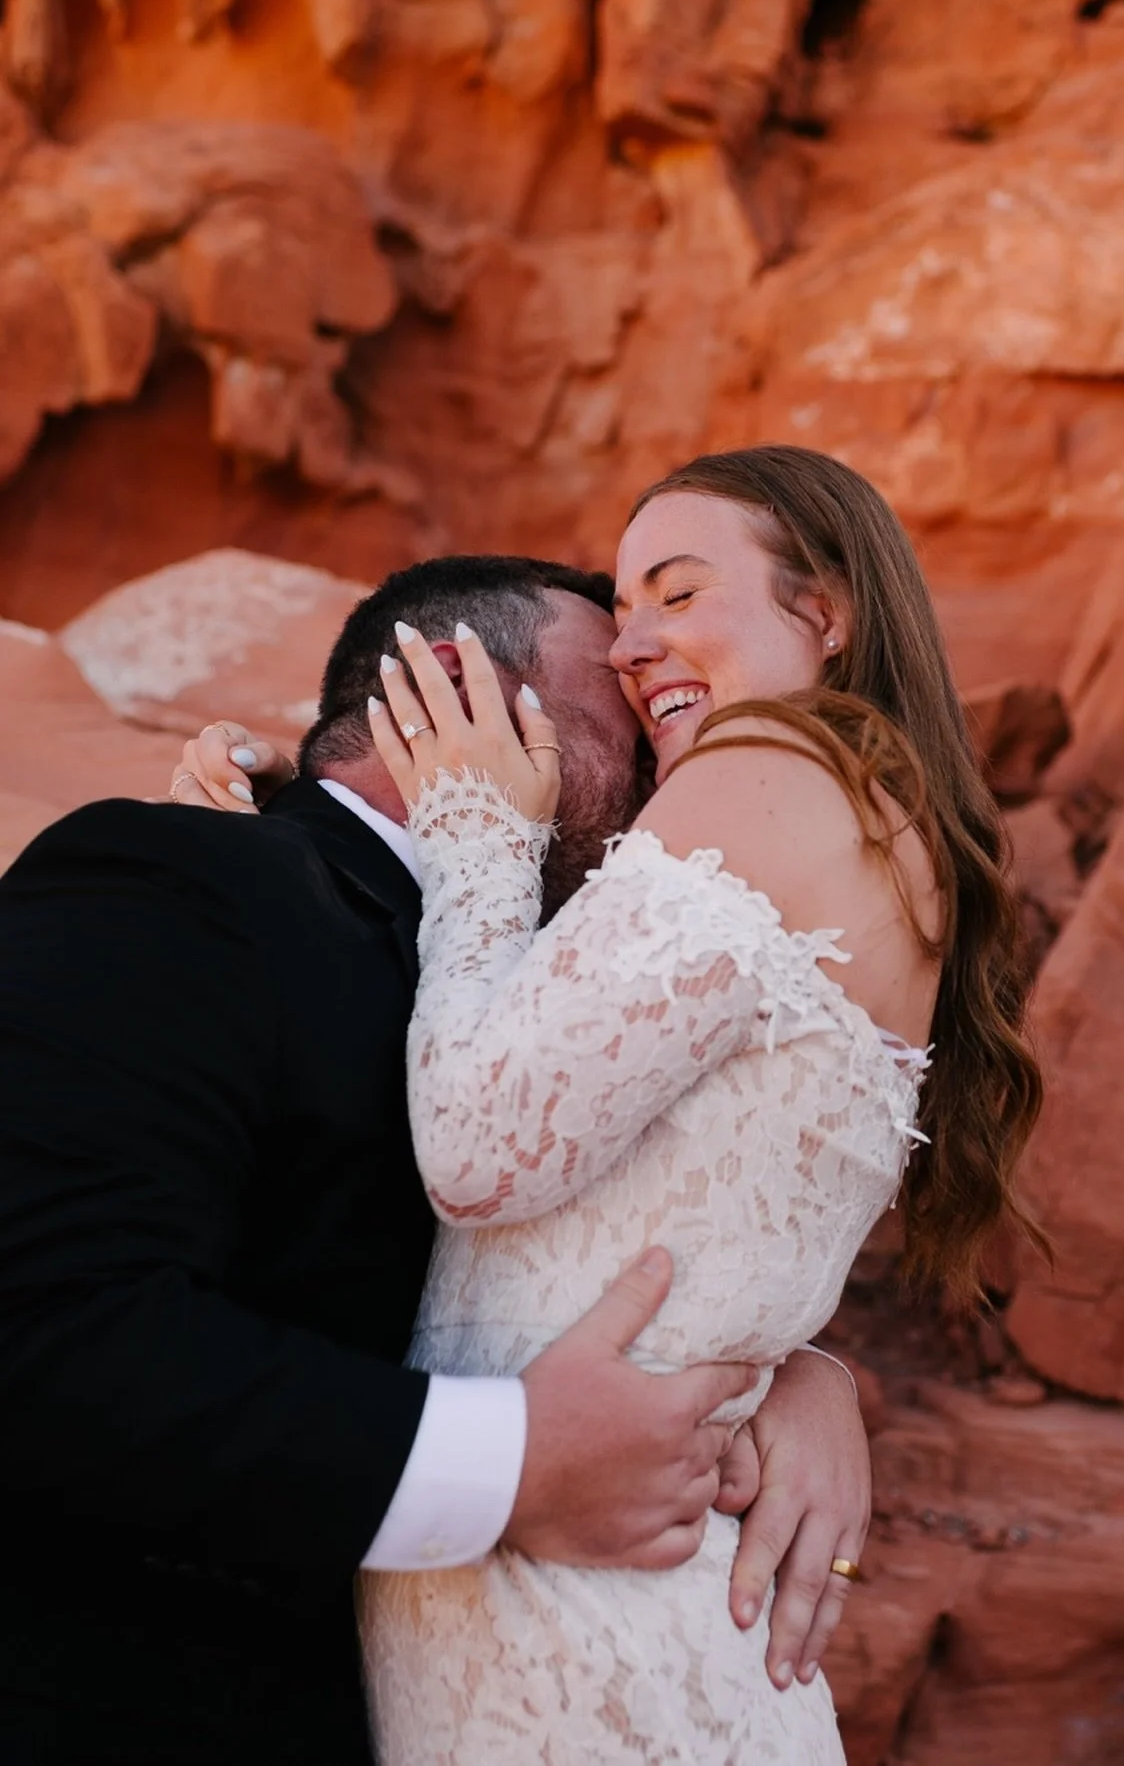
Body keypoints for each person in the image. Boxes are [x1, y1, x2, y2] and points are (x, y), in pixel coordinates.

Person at [190, 444, 1042, 1762]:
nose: (637, 642)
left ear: (826, 611)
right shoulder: (843, 813)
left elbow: (480, 1148)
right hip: (586, 1599)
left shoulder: (766, 767)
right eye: (624, 611)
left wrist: (473, 828)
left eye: (680, 591)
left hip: (595, 1628)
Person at [0, 553, 871, 1766]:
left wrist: (800, 1374)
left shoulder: (587, 985)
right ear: (450, 691)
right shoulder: (181, 879)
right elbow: (43, 1324)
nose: (670, 764)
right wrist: (516, 1461)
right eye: (623, 709)